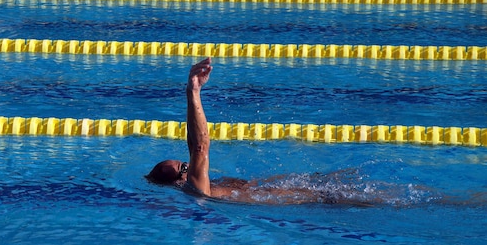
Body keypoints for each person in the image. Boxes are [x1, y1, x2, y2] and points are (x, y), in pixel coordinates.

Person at [145, 58, 424, 206]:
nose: (188, 165)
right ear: (180, 182)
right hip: (319, 201)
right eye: (183, 167)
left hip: (310, 190)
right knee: (400, 200)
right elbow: (200, 146)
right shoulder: (198, 189)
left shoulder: (209, 186)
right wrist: (193, 91)